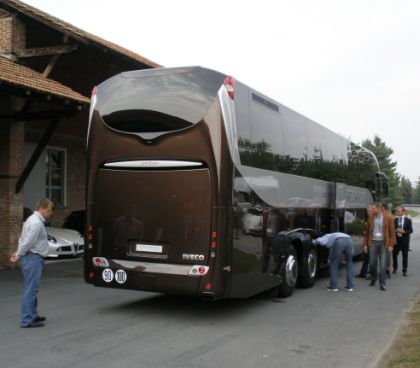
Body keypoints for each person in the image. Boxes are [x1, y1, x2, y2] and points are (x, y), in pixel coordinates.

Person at [10, 198, 54, 328]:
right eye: (49, 210)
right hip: (33, 258)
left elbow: (22, 239)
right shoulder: (36, 223)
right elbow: (28, 242)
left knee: (32, 288)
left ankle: (33, 314)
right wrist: (18, 254)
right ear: (41, 208)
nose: (50, 213)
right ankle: (27, 320)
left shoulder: (31, 220)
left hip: (31, 257)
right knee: (31, 290)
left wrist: (18, 252)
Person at [363, 202, 396, 291]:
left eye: (373, 209)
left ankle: (382, 283)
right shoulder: (370, 218)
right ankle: (374, 278)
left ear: (379, 208)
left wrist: (391, 245)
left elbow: (392, 232)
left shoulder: (388, 218)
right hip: (373, 242)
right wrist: (365, 244)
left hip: (383, 243)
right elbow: (367, 233)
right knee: (372, 263)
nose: (372, 211)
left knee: (383, 264)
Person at [392, 206, 413, 276]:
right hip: (396, 240)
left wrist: (404, 231)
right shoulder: (395, 220)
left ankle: (404, 270)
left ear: (403, 212)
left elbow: (411, 230)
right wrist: (396, 230)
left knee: (405, 255)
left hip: (404, 240)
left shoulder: (408, 220)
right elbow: (392, 230)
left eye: (399, 211)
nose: (397, 212)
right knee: (394, 255)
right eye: (397, 211)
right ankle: (395, 268)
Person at [356, 204, 374, 279]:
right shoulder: (369, 218)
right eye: (367, 211)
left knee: (372, 259)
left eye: (369, 211)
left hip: (373, 242)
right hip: (368, 241)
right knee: (366, 258)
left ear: (374, 210)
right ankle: (363, 273)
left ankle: (372, 274)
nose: (368, 212)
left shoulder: (374, 219)